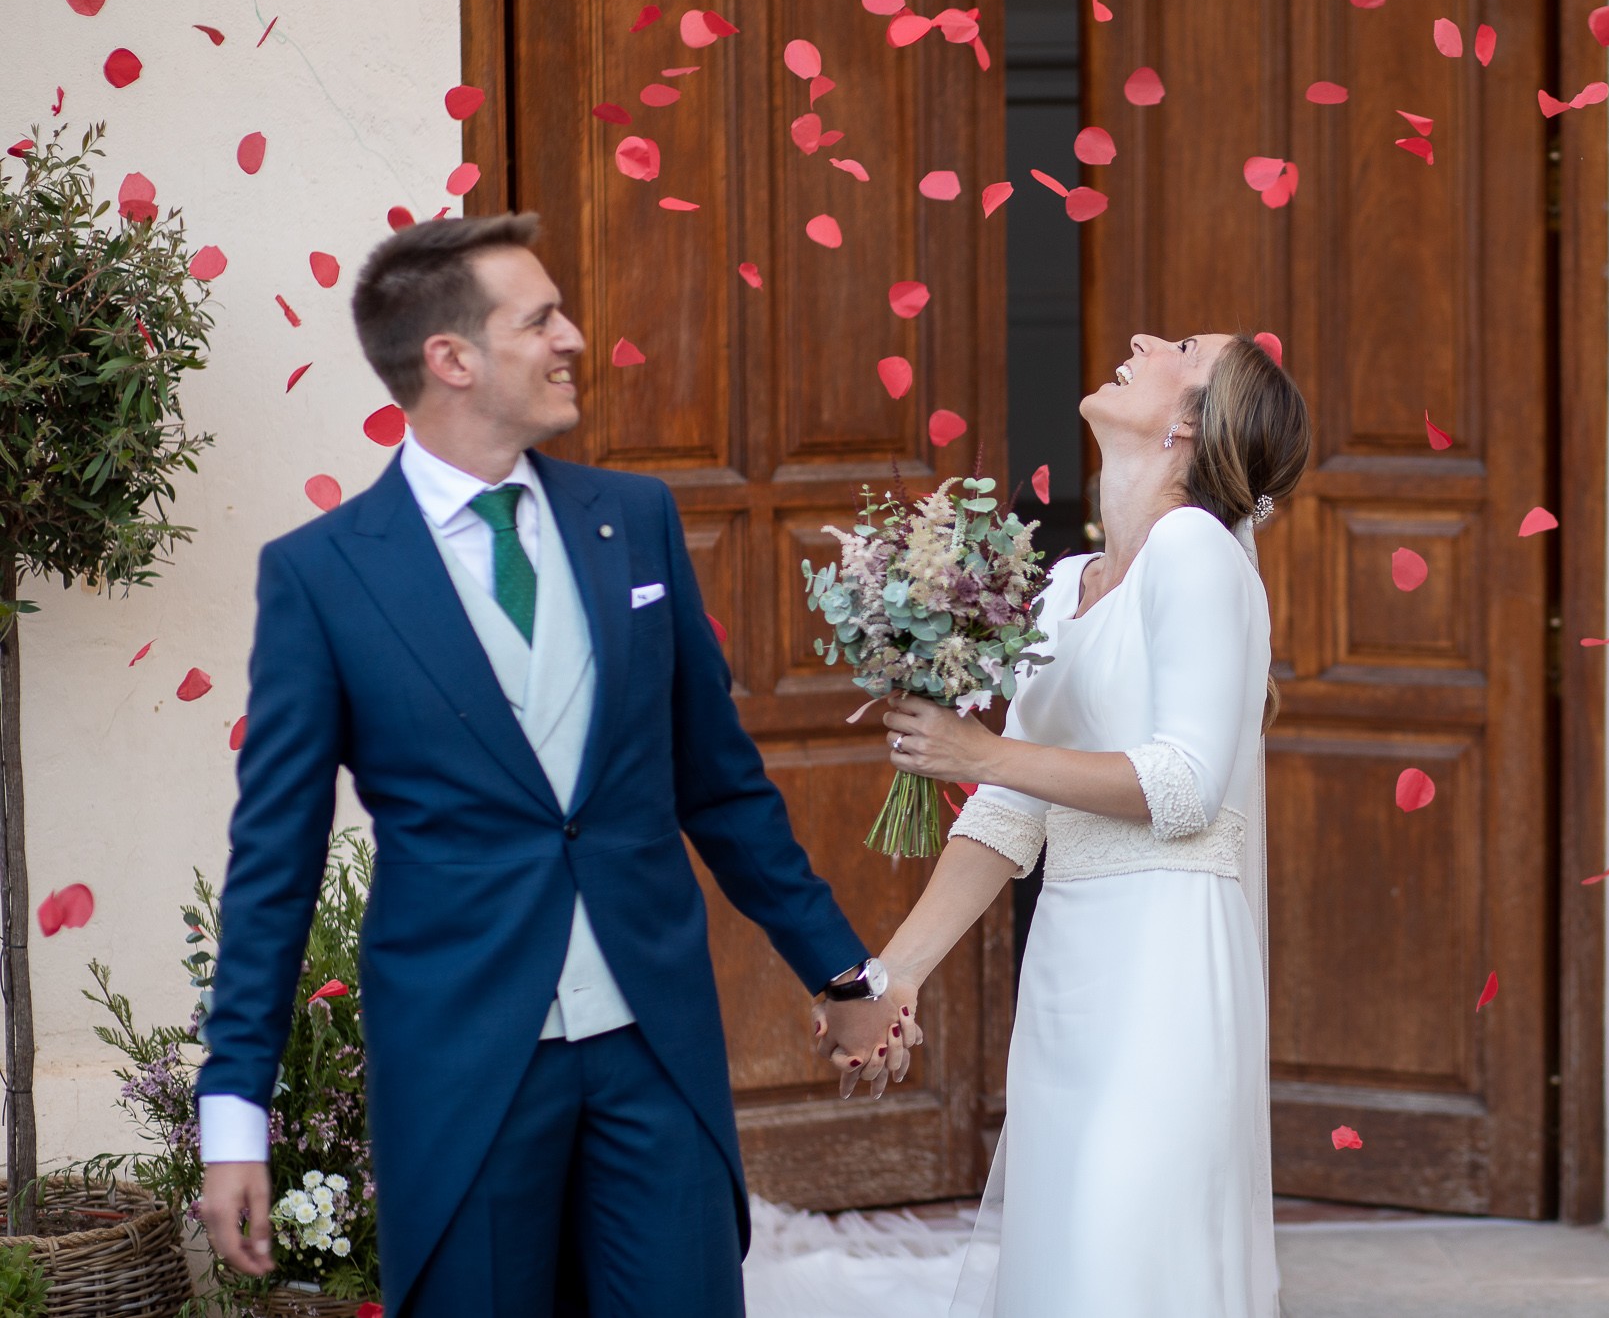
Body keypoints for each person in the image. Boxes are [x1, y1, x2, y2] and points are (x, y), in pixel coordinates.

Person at [194, 213, 910, 1316]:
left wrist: (839, 970)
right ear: (450, 359)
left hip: (651, 1050)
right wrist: (234, 1109)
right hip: (465, 1062)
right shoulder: (324, 576)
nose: (571, 336)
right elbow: (273, 866)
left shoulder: (634, 520)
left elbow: (716, 783)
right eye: (539, 319)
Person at [813, 331, 1312, 1316]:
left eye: (1176, 347)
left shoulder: (1196, 553)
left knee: (1125, 1253)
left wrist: (980, 750)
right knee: (1066, 1252)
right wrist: (896, 972)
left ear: (1187, 422)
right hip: (1070, 973)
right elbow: (1009, 808)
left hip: (1165, 966)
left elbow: (1183, 786)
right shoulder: (1064, 586)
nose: (1136, 340)